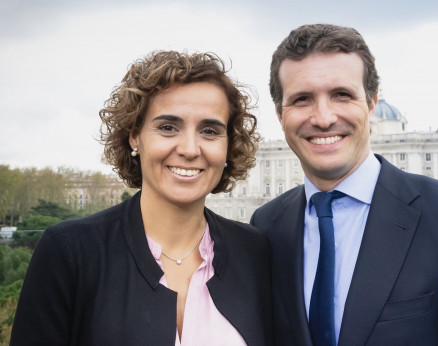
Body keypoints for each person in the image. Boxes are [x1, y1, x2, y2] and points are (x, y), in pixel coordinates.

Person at [251, 24, 438, 345]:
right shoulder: (267, 225)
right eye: (302, 99)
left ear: (372, 104)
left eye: (342, 94)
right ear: (279, 113)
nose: (324, 117)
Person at [11, 51, 272, 346]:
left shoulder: (255, 252)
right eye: (168, 127)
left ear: (228, 146)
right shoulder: (71, 253)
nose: (189, 148)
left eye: (209, 131)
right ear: (135, 136)